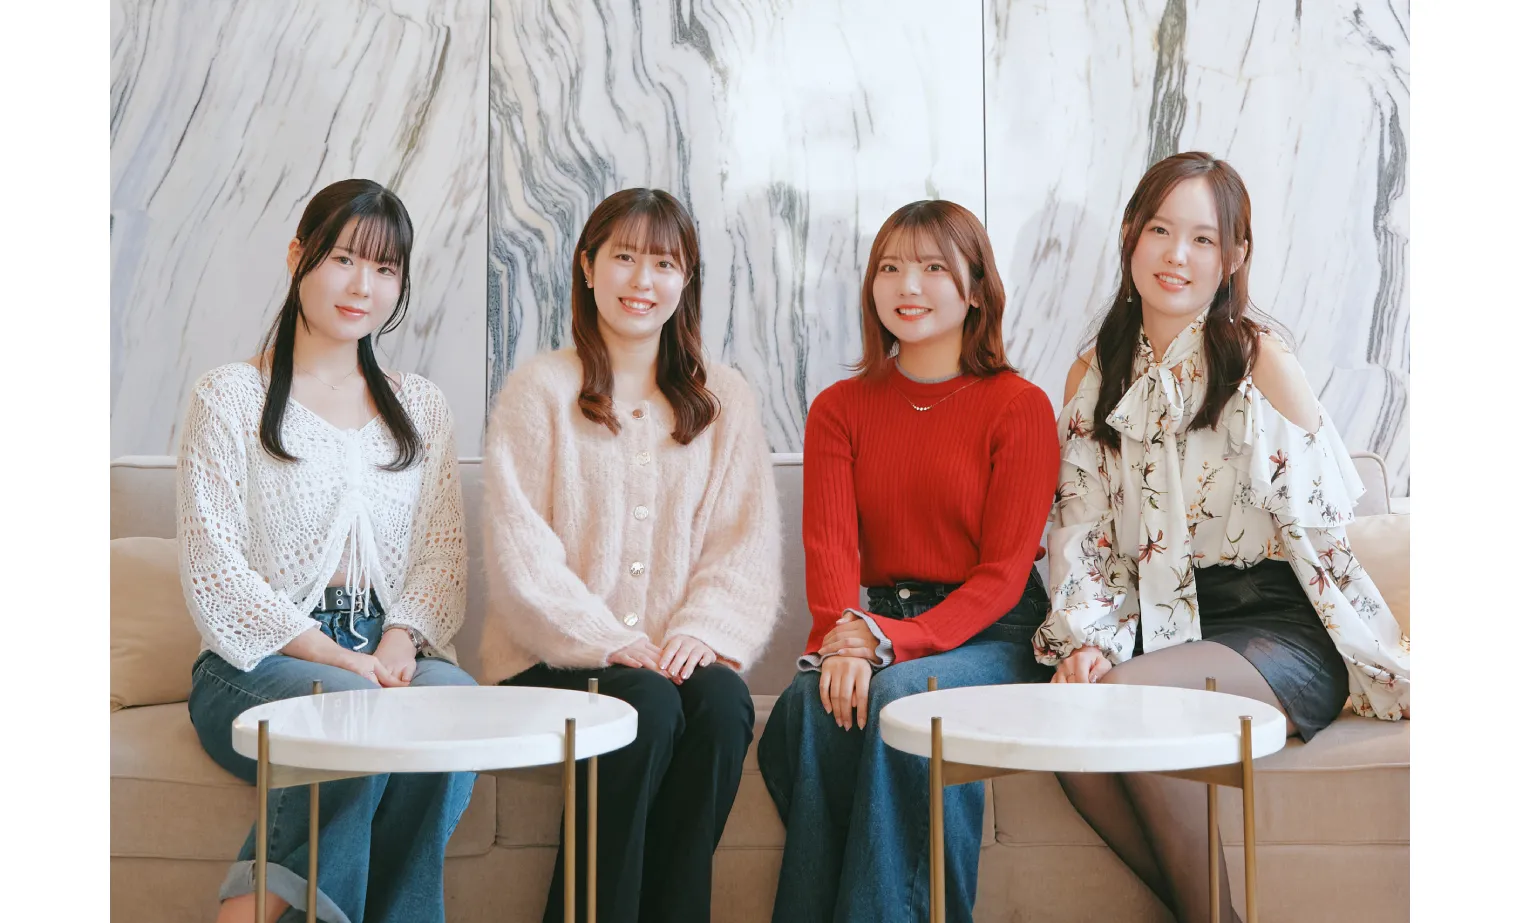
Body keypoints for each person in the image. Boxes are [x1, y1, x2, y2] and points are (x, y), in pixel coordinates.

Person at [1034, 151, 1410, 923]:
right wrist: (1091, 640)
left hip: (1276, 627)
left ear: (1234, 256)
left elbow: (1323, 518)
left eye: (1203, 239)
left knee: (1129, 702)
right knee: (1069, 722)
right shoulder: (1090, 376)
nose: (1177, 254)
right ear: (1131, 235)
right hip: (1158, 627)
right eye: (1160, 230)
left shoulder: (1260, 357)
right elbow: (1084, 535)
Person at [478, 188, 782, 923]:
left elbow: (744, 542)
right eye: (624, 257)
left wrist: (700, 632)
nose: (643, 280)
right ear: (587, 268)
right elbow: (523, 557)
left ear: (686, 280)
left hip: (667, 662)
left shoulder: (724, 398)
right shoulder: (540, 390)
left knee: (721, 703)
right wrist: (608, 639)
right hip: (550, 657)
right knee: (644, 700)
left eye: (664, 263)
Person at [180, 178, 476, 923]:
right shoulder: (230, 396)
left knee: (453, 707)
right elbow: (215, 569)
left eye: (384, 268)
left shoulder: (422, 406)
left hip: (386, 645)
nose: (362, 286)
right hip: (256, 661)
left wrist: (399, 640)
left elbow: (442, 556)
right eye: (344, 259)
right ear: (298, 258)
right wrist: (338, 658)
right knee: (352, 714)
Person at [757, 199, 1060, 923]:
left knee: (905, 700)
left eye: (932, 267)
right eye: (890, 268)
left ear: (976, 289)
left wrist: (887, 642)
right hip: (876, 625)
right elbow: (831, 548)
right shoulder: (839, 408)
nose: (908, 286)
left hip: (995, 633)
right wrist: (845, 641)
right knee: (807, 707)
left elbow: (1003, 576)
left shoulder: (1019, 406)